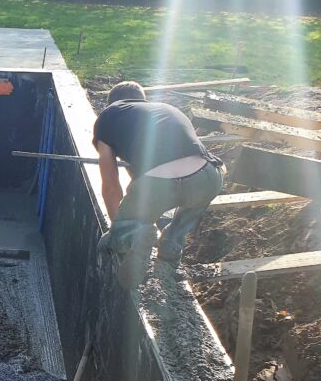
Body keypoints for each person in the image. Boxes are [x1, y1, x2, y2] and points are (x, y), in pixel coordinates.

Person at [93, 81, 224, 287]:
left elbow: (111, 185)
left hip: (160, 183)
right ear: (142, 99)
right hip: (209, 176)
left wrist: (118, 226)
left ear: (111, 103)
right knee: (193, 203)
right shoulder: (168, 110)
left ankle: (137, 235)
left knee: (123, 232)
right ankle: (171, 246)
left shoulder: (108, 116)